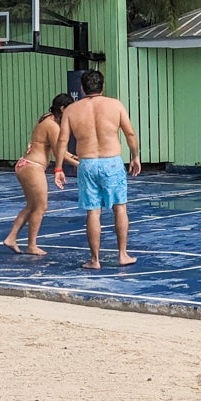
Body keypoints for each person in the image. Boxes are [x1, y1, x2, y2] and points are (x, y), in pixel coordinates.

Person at [58, 69, 141, 269]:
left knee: (93, 213)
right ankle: (122, 254)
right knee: (119, 207)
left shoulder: (71, 110)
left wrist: (58, 167)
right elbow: (129, 133)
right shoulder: (115, 105)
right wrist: (135, 156)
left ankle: (95, 260)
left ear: (82, 88)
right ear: (102, 86)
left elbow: (62, 140)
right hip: (111, 161)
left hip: (86, 164)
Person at [2, 93, 77, 255]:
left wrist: (78, 158)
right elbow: (60, 153)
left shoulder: (46, 118)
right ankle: (31, 245)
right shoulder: (52, 125)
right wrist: (79, 164)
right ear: (63, 109)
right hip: (32, 167)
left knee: (31, 206)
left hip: (26, 165)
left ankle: (11, 237)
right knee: (41, 207)